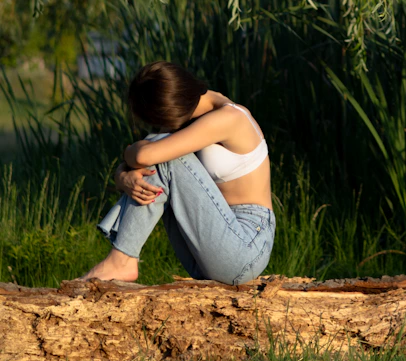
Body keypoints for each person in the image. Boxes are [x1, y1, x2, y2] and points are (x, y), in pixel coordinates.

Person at [82, 61, 275, 285]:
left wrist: (128, 153)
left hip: (246, 248)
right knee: (159, 149)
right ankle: (121, 258)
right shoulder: (191, 116)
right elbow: (146, 155)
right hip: (209, 249)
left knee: (161, 152)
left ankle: (121, 259)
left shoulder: (231, 118)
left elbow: (145, 155)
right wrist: (123, 176)